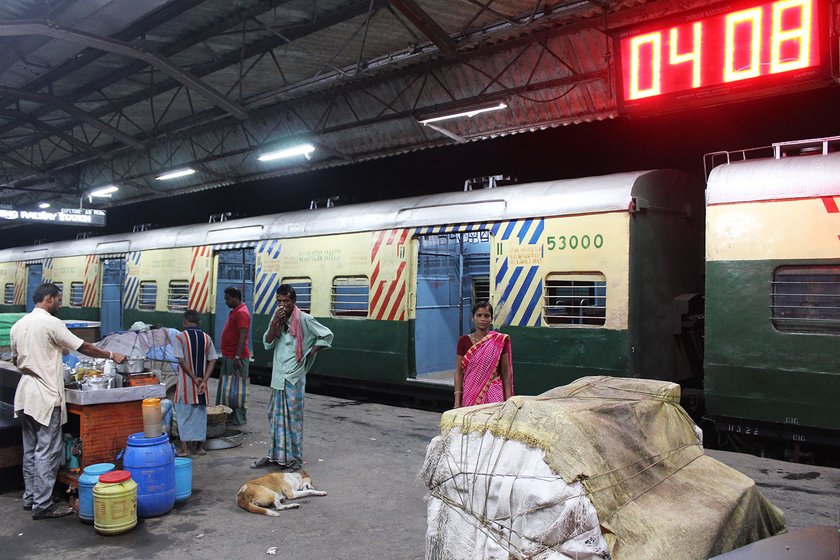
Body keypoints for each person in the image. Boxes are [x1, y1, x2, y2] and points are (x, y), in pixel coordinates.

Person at [11, 283, 127, 520]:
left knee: (31, 450)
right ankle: (43, 505)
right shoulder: (51, 323)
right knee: (47, 451)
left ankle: (31, 497)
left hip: (25, 394)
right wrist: (111, 355)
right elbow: (82, 346)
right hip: (45, 396)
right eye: (59, 300)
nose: (60, 304)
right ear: (49, 298)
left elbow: (17, 359)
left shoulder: (18, 325)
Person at [251, 284, 333, 471]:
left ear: (293, 302)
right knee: (275, 417)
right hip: (278, 377)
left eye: (286, 301)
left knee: (293, 420)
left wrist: (311, 351)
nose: (282, 305)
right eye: (279, 301)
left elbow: (327, 335)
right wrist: (274, 324)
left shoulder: (304, 319)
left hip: (294, 378)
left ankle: (294, 461)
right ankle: (274, 456)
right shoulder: (277, 319)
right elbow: (267, 343)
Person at [172, 309, 218, 457]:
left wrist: (193, 377)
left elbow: (180, 359)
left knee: (183, 415)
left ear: (185, 322)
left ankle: (184, 449)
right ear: (199, 322)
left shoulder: (180, 337)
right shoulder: (206, 338)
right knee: (200, 416)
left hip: (185, 384)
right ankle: (199, 448)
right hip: (201, 387)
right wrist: (203, 380)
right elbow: (213, 360)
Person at [453, 301, 513, 408]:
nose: (483, 319)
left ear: (491, 319)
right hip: (470, 393)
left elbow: (505, 372)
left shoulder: (498, 341)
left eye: (486, 316)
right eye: (479, 315)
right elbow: (458, 372)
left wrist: (508, 401)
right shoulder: (463, 341)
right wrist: (457, 401)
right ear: (473, 318)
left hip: (494, 392)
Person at [216, 286, 251, 426]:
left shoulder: (241, 313)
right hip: (229, 355)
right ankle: (228, 415)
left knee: (236, 390)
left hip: (236, 357)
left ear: (235, 298)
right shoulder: (235, 311)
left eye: (228, 299)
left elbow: (243, 336)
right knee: (228, 388)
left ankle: (237, 418)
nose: (226, 302)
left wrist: (237, 357)